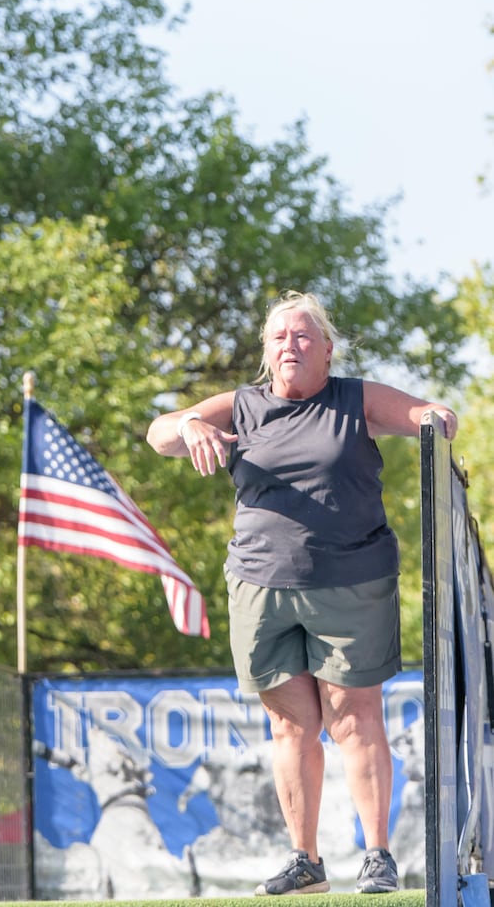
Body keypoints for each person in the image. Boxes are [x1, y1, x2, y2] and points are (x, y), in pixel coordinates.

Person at [146, 290, 458, 896]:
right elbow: (160, 435)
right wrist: (188, 422)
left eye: (303, 336)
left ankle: (377, 856)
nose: (290, 344)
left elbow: (428, 414)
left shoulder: (354, 399)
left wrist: (433, 418)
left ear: (326, 349)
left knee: (354, 720)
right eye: (279, 337)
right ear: (266, 351)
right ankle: (305, 859)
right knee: (290, 727)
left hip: (352, 582)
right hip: (261, 585)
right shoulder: (242, 406)